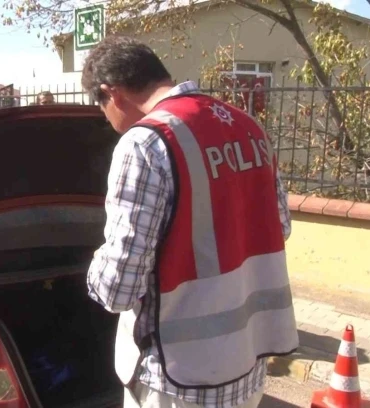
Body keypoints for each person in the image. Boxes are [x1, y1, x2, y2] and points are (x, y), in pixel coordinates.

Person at [83, 36, 298, 408]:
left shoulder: (145, 144)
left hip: (177, 382)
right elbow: (280, 227)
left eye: (103, 110)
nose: (110, 123)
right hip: (247, 372)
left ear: (112, 94)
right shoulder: (249, 127)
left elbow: (118, 288)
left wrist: (91, 267)